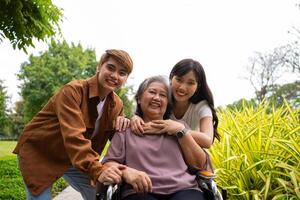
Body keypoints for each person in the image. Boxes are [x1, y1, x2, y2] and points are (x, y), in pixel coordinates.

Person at [13, 49, 133, 200]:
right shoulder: (73, 91)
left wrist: (128, 123)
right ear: (99, 67)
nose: (115, 76)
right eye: (110, 68)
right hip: (42, 153)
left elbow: (119, 141)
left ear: (126, 78)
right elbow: (74, 136)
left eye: (122, 73)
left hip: (75, 158)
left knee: (98, 194)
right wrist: (98, 170)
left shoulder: (117, 104)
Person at [101, 75, 207, 200]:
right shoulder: (125, 130)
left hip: (184, 189)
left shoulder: (179, 128)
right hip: (139, 191)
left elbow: (200, 164)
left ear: (167, 103)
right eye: (152, 92)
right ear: (139, 98)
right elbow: (108, 164)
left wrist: (181, 132)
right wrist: (125, 171)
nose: (157, 98)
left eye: (163, 95)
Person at [131, 59, 220, 166]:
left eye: (190, 83)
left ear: (198, 86)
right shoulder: (163, 98)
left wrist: (178, 129)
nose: (182, 87)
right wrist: (136, 117)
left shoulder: (201, 106)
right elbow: (146, 111)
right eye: (179, 80)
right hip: (163, 153)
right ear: (171, 78)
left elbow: (207, 140)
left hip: (189, 156)